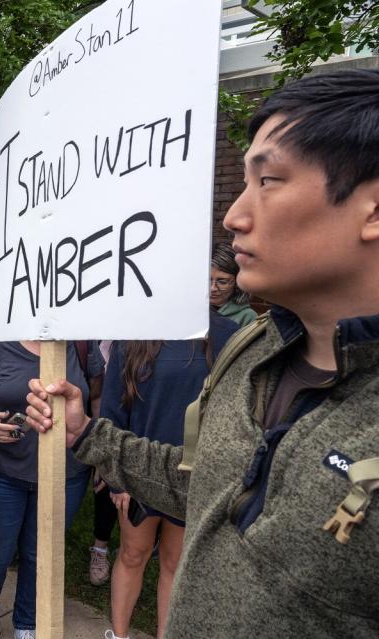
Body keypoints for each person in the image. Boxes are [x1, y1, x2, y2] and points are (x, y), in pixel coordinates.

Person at [25, 69, 379, 637]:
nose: (234, 215)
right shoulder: (250, 352)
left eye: (268, 181)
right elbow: (208, 485)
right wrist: (87, 433)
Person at [99, 314, 236, 639]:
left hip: (194, 476)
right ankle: (119, 634)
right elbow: (112, 412)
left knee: (175, 563)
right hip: (138, 472)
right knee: (133, 554)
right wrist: (118, 478)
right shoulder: (133, 334)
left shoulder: (227, 334)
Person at [0, 339, 101, 639]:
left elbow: (97, 395)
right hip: (4, 472)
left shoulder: (79, 341)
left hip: (66, 474)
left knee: (41, 556)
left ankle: (27, 624)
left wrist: (98, 447)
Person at [210, 242, 258, 327]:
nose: (213, 288)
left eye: (222, 282)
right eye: (207, 281)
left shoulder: (247, 317)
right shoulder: (191, 310)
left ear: (237, 281)